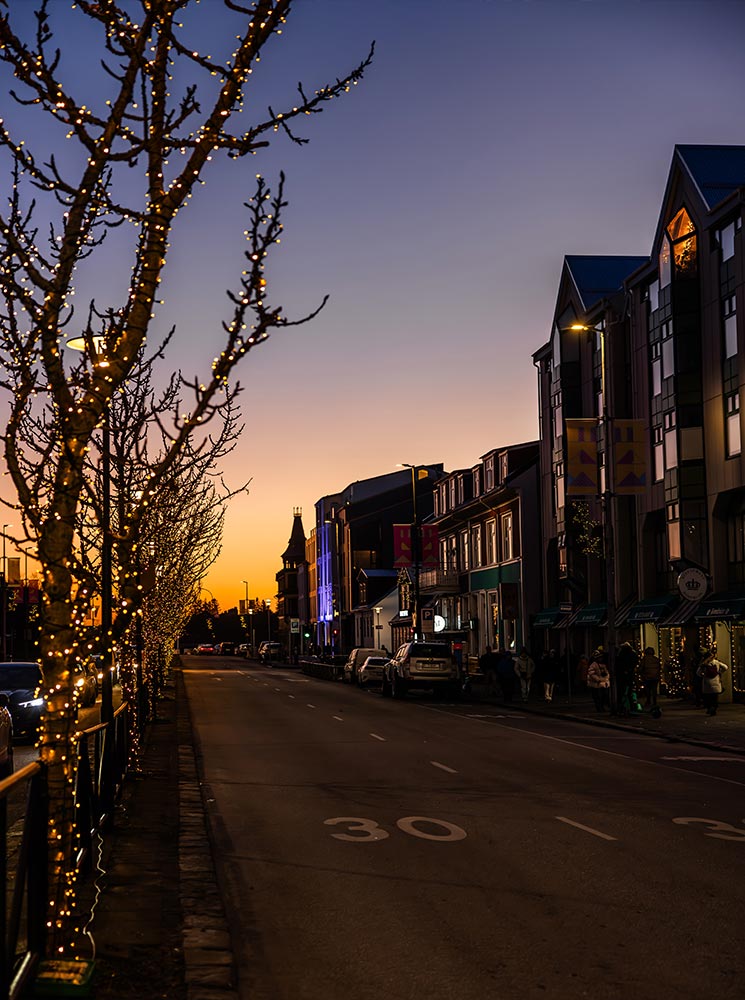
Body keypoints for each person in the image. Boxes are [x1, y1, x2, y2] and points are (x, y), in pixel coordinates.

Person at [697, 649, 728, 716]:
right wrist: (719, 672)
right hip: (716, 682)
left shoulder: (703, 664)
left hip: (707, 683)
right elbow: (725, 667)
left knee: (708, 697)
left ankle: (709, 708)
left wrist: (703, 675)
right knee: (714, 697)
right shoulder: (716, 662)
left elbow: (698, 673)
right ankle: (714, 708)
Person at [614, 641, 639, 716]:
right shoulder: (633, 654)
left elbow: (618, 664)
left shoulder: (621, 654)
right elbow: (635, 662)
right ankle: (631, 706)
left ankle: (622, 707)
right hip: (630, 675)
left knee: (622, 692)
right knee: (630, 692)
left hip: (622, 676)